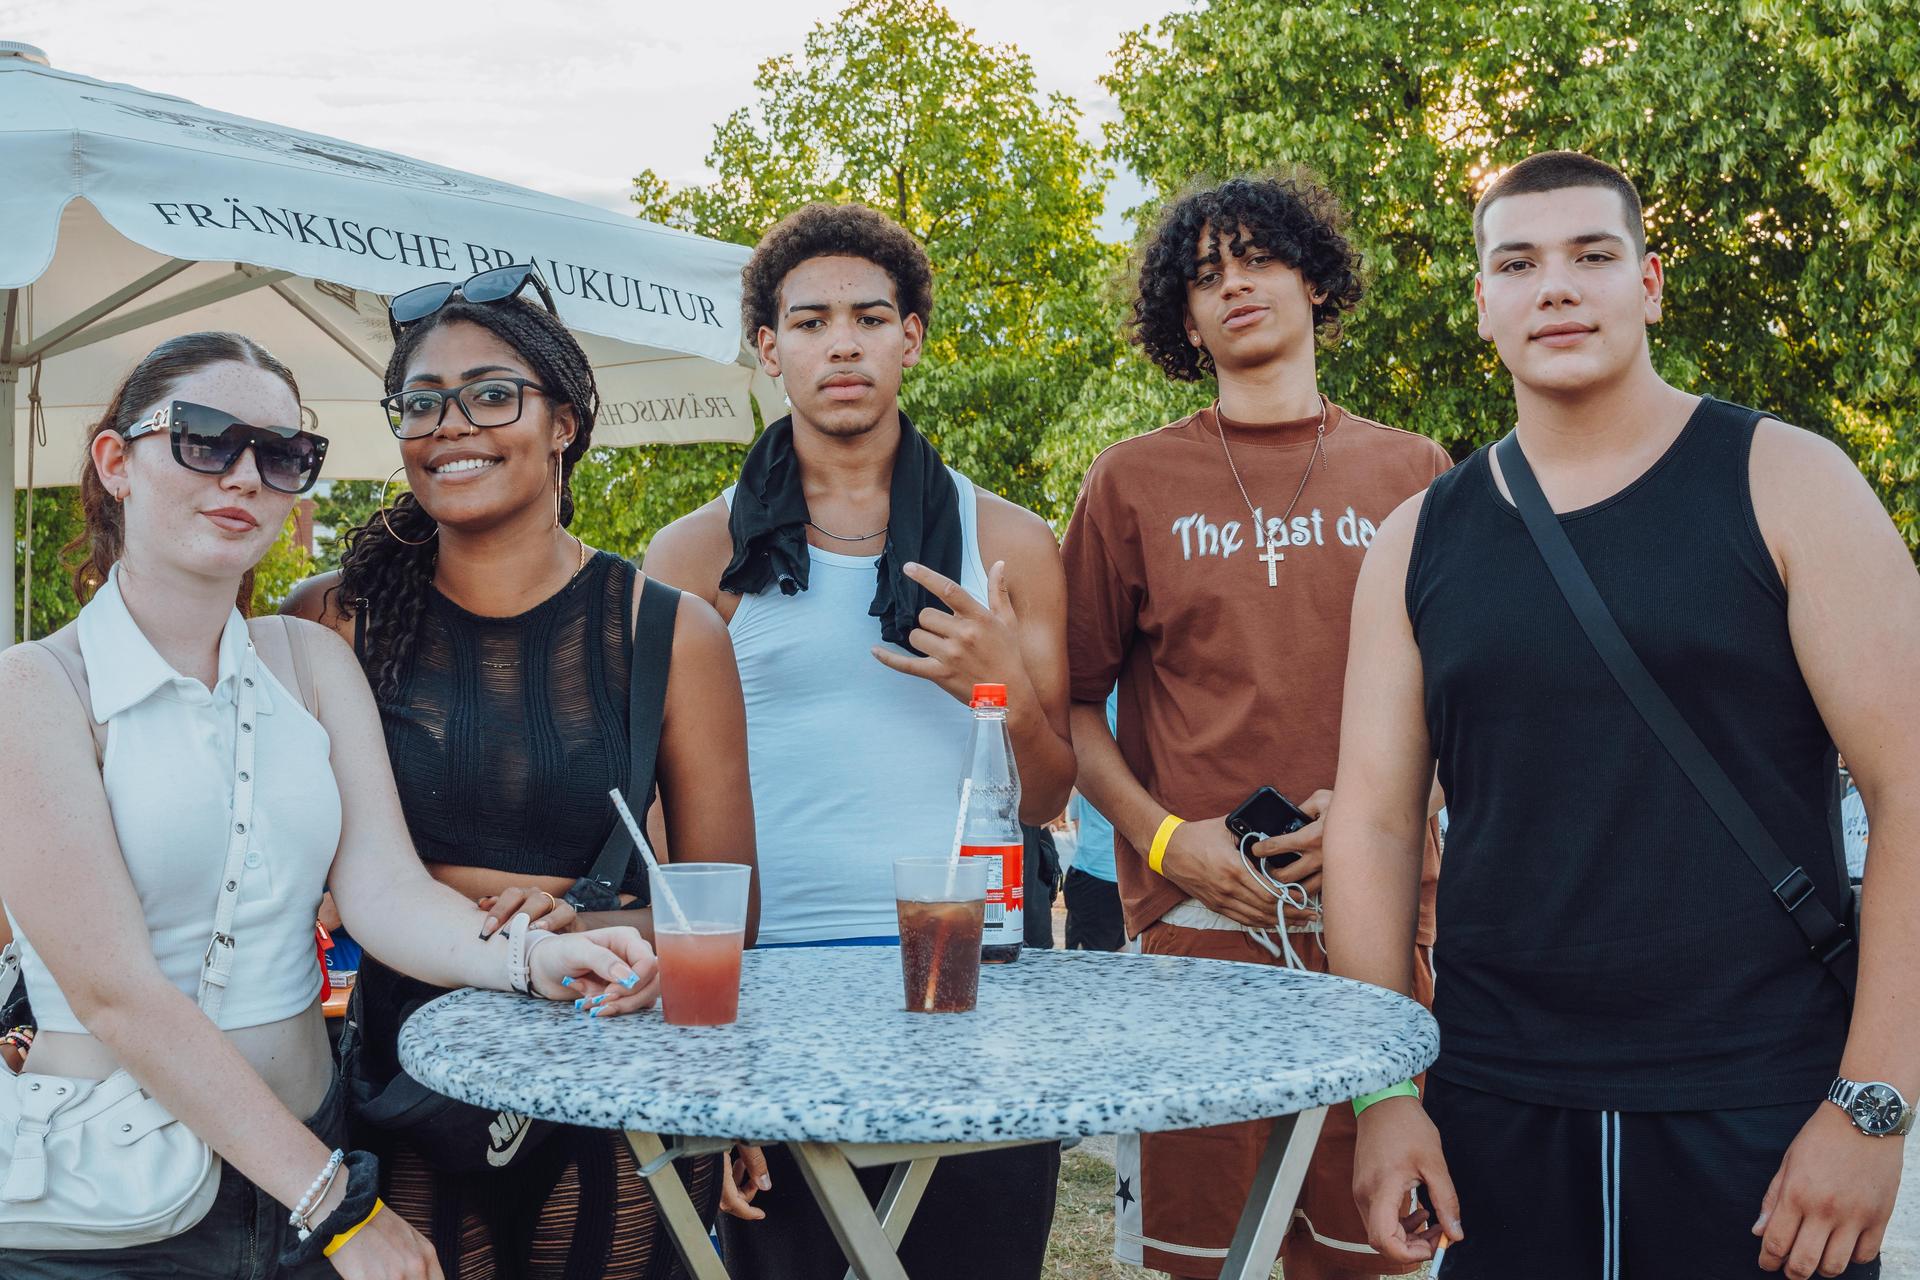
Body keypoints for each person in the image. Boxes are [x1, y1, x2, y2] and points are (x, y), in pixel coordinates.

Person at [1325, 150, 1919, 1278]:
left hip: (1761, 1099)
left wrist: (1875, 1102)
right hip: (1496, 1097)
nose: (1557, 286)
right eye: (1520, 262)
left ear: (1647, 284)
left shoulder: (1789, 482)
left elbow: (1913, 789)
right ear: (1484, 303)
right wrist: (1386, 1091)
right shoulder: (1418, 539)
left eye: (1592, 255)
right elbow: (1376, 826)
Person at [0, 331, 660, 1280]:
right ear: (116, 463)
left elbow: (388, 894)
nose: (243, 476)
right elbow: (119, 996)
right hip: (118, 1209)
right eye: (204, 439)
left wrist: (541, 956)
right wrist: (341, 1210)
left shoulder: (310, 663)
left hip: (310, 1170)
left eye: (280, 453)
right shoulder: (37, 687)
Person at [283, 269, 758, 1278]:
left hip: (613, 1087)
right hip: (402, 1082)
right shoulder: (328, 620)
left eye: (492, 393)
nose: (452, 423)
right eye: (422, 401)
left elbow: (724, 911)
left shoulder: (667, 631)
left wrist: (577, 925)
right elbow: (299, 870)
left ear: (564, 424)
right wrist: (504, 899)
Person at [644, 202, 1074, 1280]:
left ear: (912, 338)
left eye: (871, 317)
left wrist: (1001, 687)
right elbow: (658, 818)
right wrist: (701, 1059)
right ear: (769, 349)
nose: (843, 342)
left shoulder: (1010, 541)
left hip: (972, 992)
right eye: (811, 320)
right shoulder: (694, 551)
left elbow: (1049, 788)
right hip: (769, 994)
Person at [1060, 174, 1450, 1280]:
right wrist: (1167, 837)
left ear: (1315, 278)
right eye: (1203, 273)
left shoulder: (1417, 472)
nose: (1234, 283)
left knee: (1365, 1253)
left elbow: (1465, 704)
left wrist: (1388, 809)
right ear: (1180, 319)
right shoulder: (1131, 480)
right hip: (1196, 937)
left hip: (1385, 935)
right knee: (1205, 1263)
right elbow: (1073, 708)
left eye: (1259, 257)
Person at [1063, 692, 1126, 952]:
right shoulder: (1140, 702)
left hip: (1098, 872)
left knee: (1090, 979)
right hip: (1119, 873)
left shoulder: (1095, 706)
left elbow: (1074, 797)